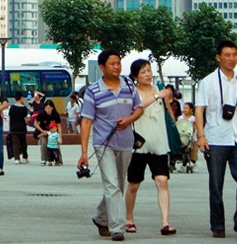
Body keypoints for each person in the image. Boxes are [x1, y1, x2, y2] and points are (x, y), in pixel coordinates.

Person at [78, 50, 150, 242]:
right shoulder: (93, 91)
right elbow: (86, 122)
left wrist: (129, 119)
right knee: (111, 185)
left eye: (118, 63)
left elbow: (139, 109)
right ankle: (117, 227)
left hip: (126, 143)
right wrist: (84, 152)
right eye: (112, 63)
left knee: (117, 185)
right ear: (102, 67)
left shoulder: (128, 85)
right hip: (103, 144)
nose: (117, 67)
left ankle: (100, 217)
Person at [195, 40, 237, 240]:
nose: (231, 59)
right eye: (227, 55)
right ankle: (218, 226)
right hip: (215, 138)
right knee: (216, 185)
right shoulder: (208, 81)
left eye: (234, 55)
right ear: (218, 57)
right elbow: (199, 109)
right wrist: (201, 136)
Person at [125, 58, 177, 237]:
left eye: (149, 70)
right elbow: (135, 109)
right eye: (143, 72)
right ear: (135, 77)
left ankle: (165, 222)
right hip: (139, 145)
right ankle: (129, 219)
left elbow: (169, 111)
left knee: (162, 181)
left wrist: (167, 97)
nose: (147, 74)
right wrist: (156, 96)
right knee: (133, 184)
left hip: (159, 145)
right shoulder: (132, 92)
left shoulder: (159, 89)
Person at [35, 100, 62, 166]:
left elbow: (59, 126)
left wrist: (60, 137)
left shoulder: (55, 114)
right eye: (46, 108)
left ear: (52, 108)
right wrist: (42, 131)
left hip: (53, 133)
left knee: (55, 144)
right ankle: (43, 159)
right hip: (44, 132)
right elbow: (35, 123)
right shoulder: (41, 114)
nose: (47, 110)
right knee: (44, 143)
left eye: (49, 108)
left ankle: (58, 160)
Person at [8, 92, 29, 163]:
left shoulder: (12, 107)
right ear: (21, 98)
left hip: (14, 128)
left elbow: (10, 117)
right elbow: (25, 116)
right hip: (22, 127)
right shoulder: (24, 108)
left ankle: (17, 158)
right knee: (23, 142)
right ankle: (25, 157)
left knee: (15, 143)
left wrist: (10, 127)